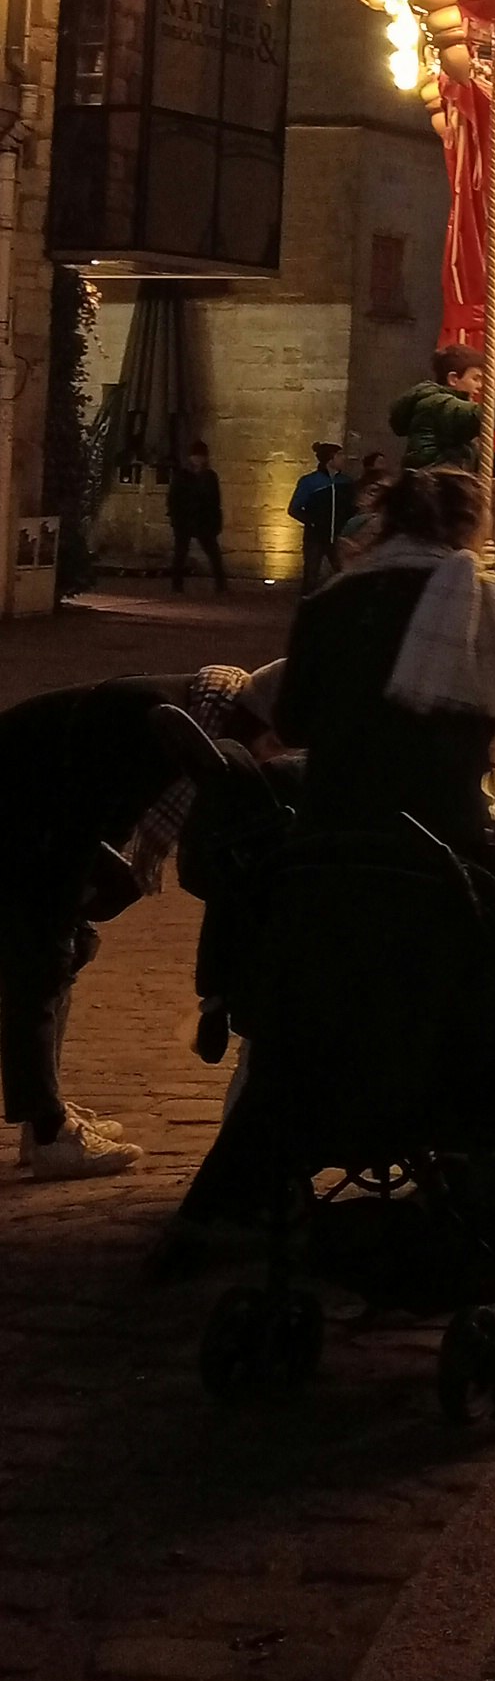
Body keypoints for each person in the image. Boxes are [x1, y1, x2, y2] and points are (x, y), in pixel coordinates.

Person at [274, 464, 495, 860]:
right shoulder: (488, 605)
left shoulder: (330, 602)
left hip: (333, 825)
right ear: (469, 527)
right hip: (443, 834)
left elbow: (291, 724)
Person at [0, 677, 207, 1174]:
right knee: (41, 965)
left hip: (36, 821)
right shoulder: (158, 725)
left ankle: (44, 1120)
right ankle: (50, 1134)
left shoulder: (189, 711)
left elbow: (106, 817)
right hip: (22, 822)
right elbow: (76, 820)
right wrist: (69, 908)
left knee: (58, 956)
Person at [390, 344, 495, 477]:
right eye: (475, 378)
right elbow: (482, 417)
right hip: (433, 491)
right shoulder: (438, 404)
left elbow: (480, 461)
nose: (480, 386)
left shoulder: (448, 411)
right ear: (453, 379)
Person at [286, 444, 356, 592]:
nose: (343, 459)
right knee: (311, 577)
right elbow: (294, 508)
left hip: (339, 536)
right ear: (330, 459)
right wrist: (313, 522)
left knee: (344, 574)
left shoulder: (347, 482)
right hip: (315, 538)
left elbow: (352, 508)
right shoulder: (309, 482)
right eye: (339, 455)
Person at [167, 441, 225, 593]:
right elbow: (173, 498)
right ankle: (176, 584)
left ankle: (221, 584)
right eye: (195, 456)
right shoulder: (183, 475)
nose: (198, 460)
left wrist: (215, 521)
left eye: (200, 456)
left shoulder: (209, 476)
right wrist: (175, 517)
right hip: (185, 518)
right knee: (180, 552)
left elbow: (214, 501)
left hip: (203, 519)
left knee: (213, 552)